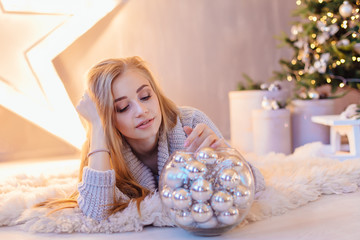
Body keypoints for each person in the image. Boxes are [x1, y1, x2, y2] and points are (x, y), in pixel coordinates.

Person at [60, 56, 264, 221]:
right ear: (108, 118)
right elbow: (95, 212)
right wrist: (97, 127)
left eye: (146, 96)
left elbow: (255, 184)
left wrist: (223, 159)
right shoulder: (104, 149)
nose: (142, 110)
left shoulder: (190, 121)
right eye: (122, 108)